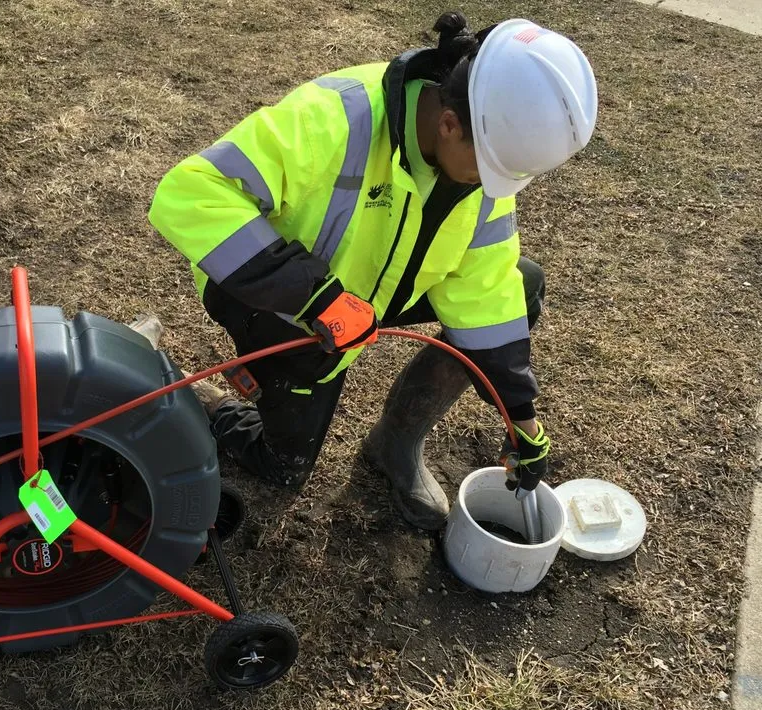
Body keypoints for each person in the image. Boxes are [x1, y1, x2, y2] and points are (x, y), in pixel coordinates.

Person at [147, 12, 598, 530]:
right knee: (283, 467)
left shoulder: (480, 161)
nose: (494, 188)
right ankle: (189, 393)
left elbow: (488, 290)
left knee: (525, 285)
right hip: (282, 305)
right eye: (491, 169)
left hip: (376, 293)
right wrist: (316, 298)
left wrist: (521, 417)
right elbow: (190, 193)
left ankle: (395, 443)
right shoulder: (336, 118)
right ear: (449, 123)